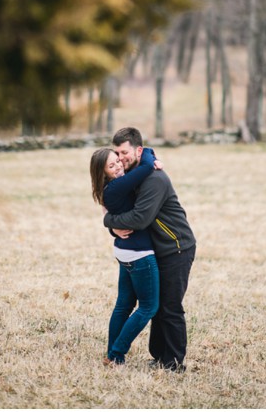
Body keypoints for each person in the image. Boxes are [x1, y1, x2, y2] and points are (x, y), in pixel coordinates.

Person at [102, 127, 196, 372]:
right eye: (117, 153)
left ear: (138, 151)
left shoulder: (154, 178)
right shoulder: (136, 171)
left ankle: (174, 363)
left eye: (124, 152)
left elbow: (140, 219)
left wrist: (109, 221)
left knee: (170, 307)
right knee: (156, 305)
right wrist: (112, 226)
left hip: (176, 246)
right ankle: (159, 356)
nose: (120, 158)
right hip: (156, 249)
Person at [91, 146, 161, 366]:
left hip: (124, 251)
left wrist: (111, 227)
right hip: (139, 254)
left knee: (123, 305)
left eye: (118, 161)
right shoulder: (118, 186)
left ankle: (113, 353)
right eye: (111, 166)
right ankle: (116, 353)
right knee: (149, 307)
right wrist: (150, 153)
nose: (119, 166)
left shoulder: (108, 188)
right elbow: (147, 165)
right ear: (103, 173)